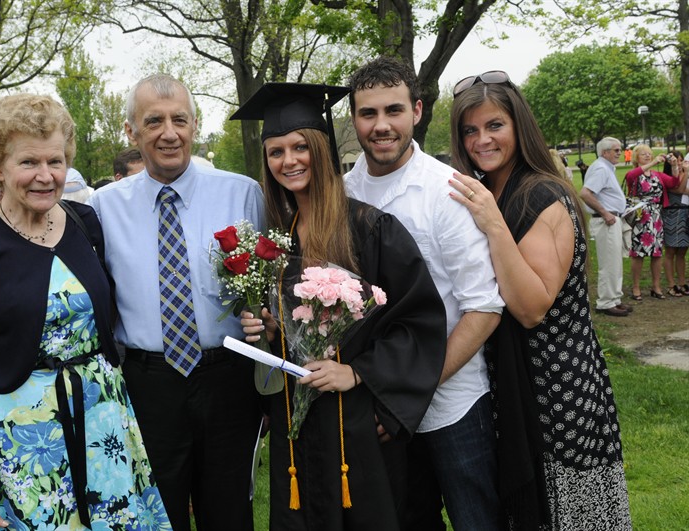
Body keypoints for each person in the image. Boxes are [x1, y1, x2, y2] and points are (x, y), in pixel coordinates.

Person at [0, 93, 172, 531]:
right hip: (20, 443)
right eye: (29, 163)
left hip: (104, 424)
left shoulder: (86, 223)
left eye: (56, 161)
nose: (45, 176)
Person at [232, 82, 447, 531]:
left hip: (355, 424)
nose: (288, 161)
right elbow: (291, 333)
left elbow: (417, 320)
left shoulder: (370, 228)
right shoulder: (277, 238)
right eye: (275, 152)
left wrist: (357, 373)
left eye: (299, 147)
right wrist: (271, 329)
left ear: (321, 148)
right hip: (298, 422)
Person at [449, 71, 632, 530]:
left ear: (519, 126)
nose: (481, 140)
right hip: (511, 382)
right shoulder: (491, 190)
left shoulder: (543, 195)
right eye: (470, 130)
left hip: (557, 386)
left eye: (494, 126)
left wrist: (493, 225)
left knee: (569, 511)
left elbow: (532, 308)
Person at [89, 73, 263, 531]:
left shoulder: (242, 193)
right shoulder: (103, 209)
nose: (169, 133)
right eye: (154, 121)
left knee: (229, 512)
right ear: (131, 132)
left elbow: (270, 282)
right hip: (149, 385)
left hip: (227, 380)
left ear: (195, 124)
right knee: (158, 514)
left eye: (179, 120)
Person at [343, 57, 504, 531]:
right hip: (379, 406)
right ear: (354, 119)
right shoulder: (343, 193)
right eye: (368, 113)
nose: (381, 125)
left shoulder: (447, 191)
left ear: (416, 111)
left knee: (477, 521)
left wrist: (411, 387)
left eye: (393, 110)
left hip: (454, 402)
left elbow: (484, 308)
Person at [578, 138, 631, 314]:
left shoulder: (606, 168)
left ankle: (614, 298)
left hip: (612, 220)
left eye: (619, 149)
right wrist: (605, 212)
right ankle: (606, 302)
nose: (619, 152)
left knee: (615, 262)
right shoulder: (601, 168)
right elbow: (585, 193)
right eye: (615, 150)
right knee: (609, 263)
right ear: (604, 152)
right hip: (606, 221)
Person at [624, 144, 681, 299]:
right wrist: (654, 161)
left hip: (656, 217)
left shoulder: (657, 175)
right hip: (641, 216)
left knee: (657, 253)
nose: (648, 156)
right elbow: (630, 177)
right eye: (644, 154)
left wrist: (675, 166)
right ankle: (636, 287)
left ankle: (656, 286)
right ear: (636, 158)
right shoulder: (634, 174)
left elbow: (674, 182)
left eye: (649, 153)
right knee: (638, 254)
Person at [662, 151, 689, 295]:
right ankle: (671, 284)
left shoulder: (684, 174)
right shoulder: (668, 178)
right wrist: (687, 173)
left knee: (682, 251)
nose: (679, 163)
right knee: (671, 250)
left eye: (681, 160)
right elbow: (679, 189)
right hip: (672, 215)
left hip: (686, 215)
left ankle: (682, 282)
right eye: (677, 160)